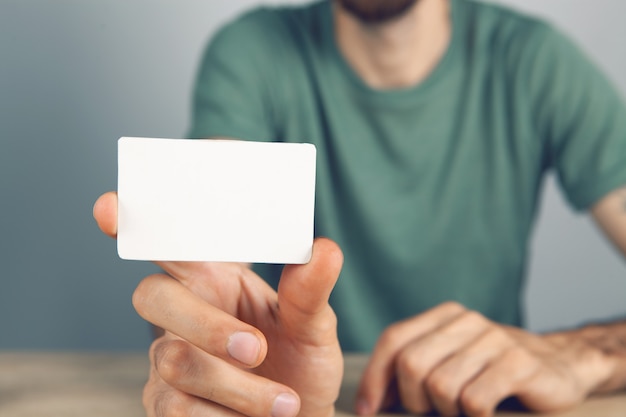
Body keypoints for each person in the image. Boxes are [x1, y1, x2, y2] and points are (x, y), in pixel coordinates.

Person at [94, 0, 626, 416]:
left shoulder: (536, 62)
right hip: (295, 403)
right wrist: (210, 351)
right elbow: (207, 275)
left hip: (484, 405)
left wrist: (585, 354)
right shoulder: (253, 53)